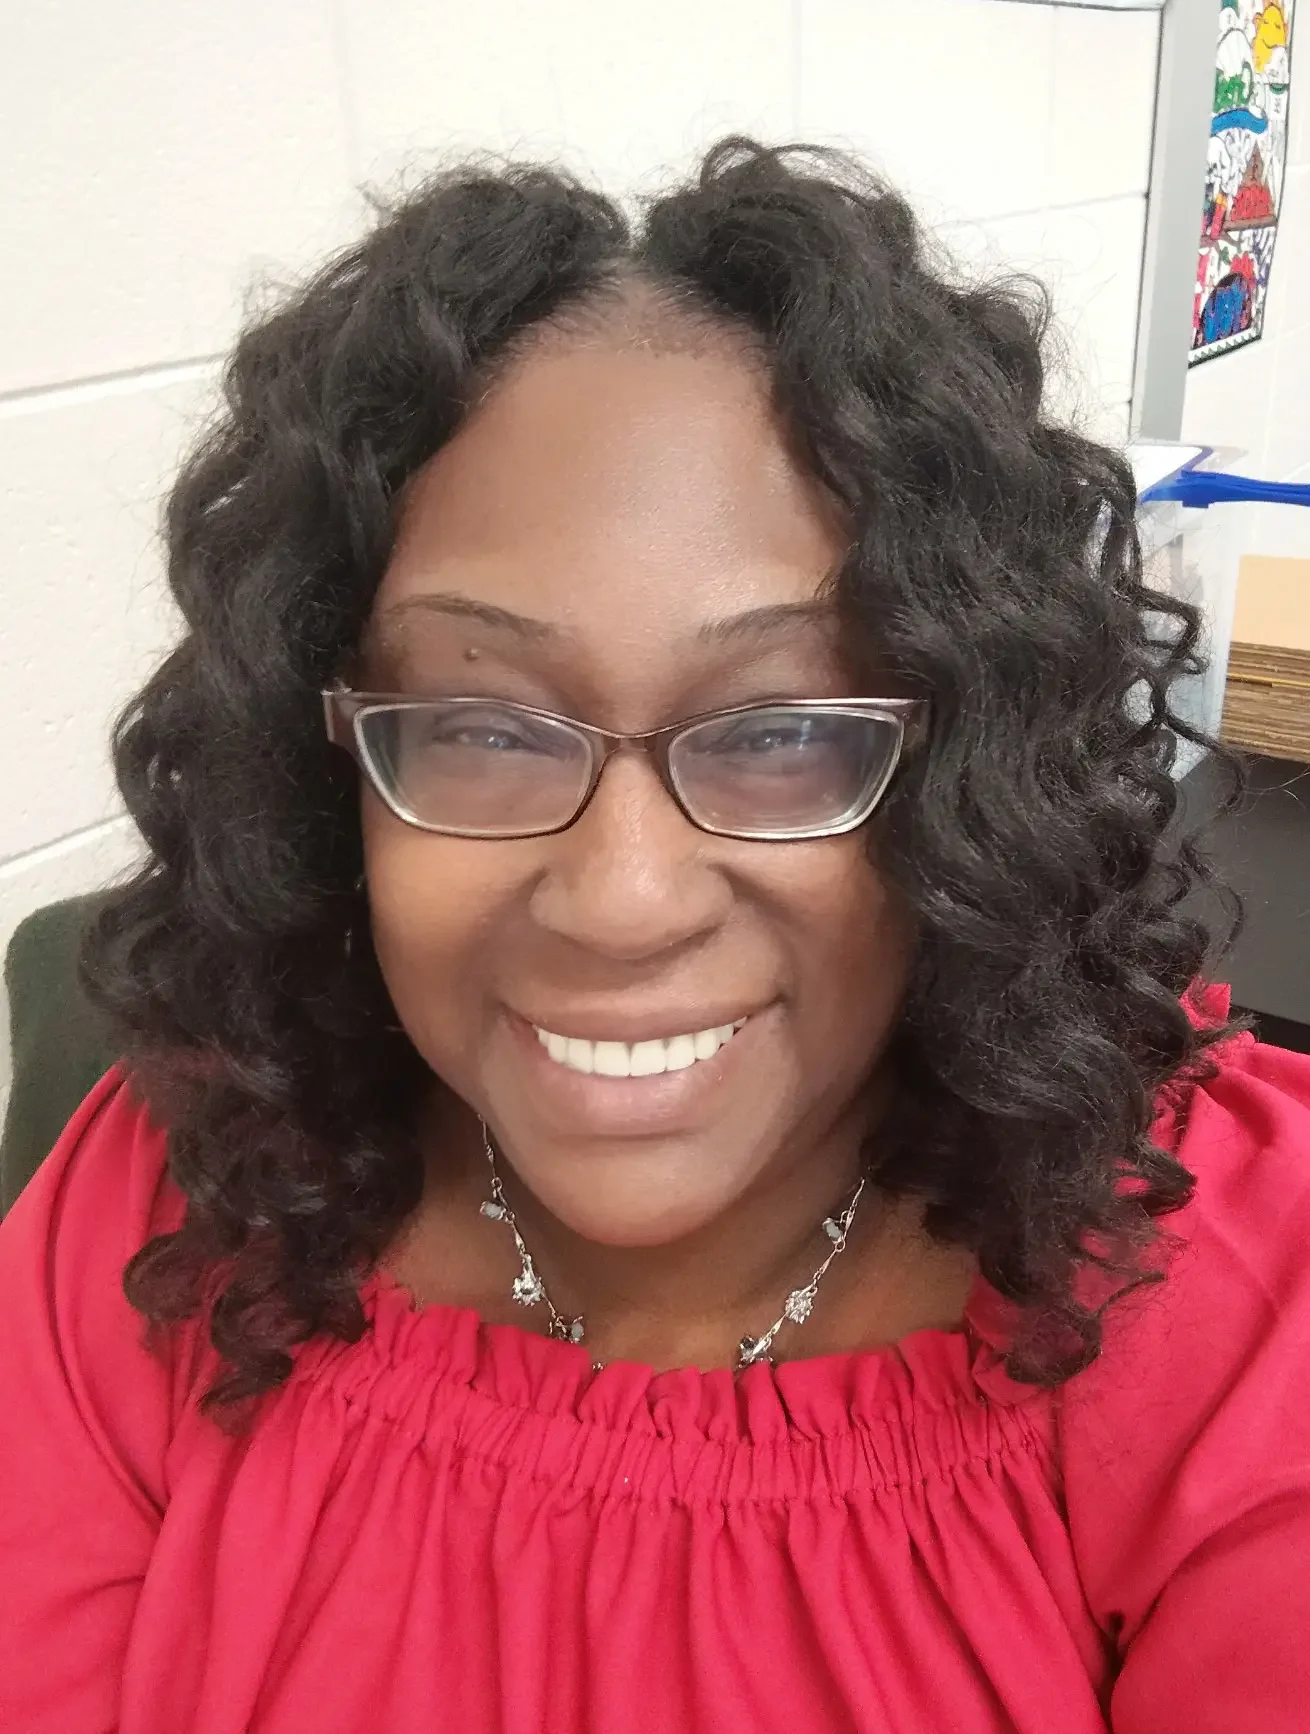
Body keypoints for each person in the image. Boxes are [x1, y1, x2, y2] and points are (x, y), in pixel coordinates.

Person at [1, 138, 1307, 1734]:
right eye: (481, 725)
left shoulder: (1229, 1291)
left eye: (783, 732)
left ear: (968, 771)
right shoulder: (183, 1193)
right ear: (321, 765)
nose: (622, 898)